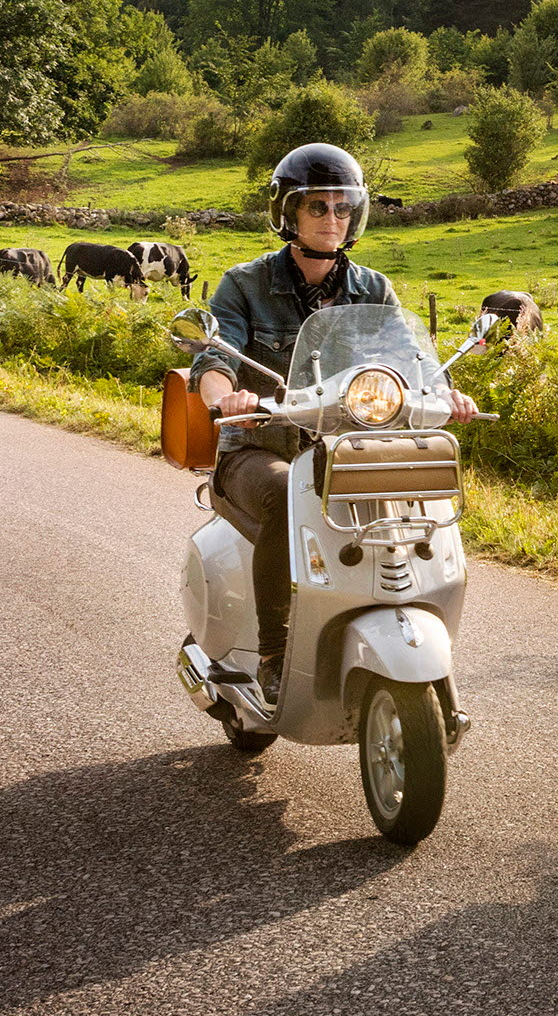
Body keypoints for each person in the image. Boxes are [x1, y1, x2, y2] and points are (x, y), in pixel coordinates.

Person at [194, 142, 475, 704]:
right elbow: (213, 358)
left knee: (420, 501)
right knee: (285, 496)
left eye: (343, 207)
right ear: (288, 213)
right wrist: (227, 399)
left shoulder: (373, 289)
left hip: (350, 449)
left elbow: (411, 361)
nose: (332, 218)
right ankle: (275, 654)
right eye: (317, 206)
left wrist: (445, 393)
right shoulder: (244, 285)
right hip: (259, 448)